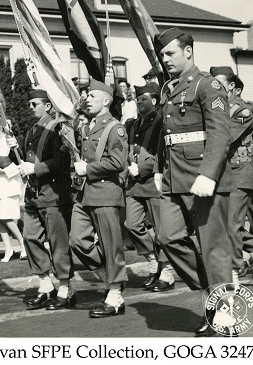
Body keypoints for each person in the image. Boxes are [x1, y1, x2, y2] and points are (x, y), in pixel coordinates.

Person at [154, 28, 234, 336]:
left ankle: (224, 313)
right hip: (175, 179)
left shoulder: (207, 85)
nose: (165, 59)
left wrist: (209, 173)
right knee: (168, 237)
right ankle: (209, 292)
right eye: (163, 55)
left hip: (204, 179)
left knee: (214, 248)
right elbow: (169, 136)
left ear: (188, 51)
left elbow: (219, 133)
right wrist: (161, 169)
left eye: (170, 53)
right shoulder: (169, 89)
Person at [69, 79, 129, 318]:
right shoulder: (88, 126)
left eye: (92, 96)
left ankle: (115, 296)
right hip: (85, 194)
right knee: (77, 240)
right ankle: (110, 274)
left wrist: (88, 169)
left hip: (105, 193)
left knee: (111, 245)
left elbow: (118, 162)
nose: (87, 99)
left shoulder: (115, 128)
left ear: (106, 101)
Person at [16, 89, 74, 311]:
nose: (31, 108)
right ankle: (46, 283)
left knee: (59, 244)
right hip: (33, 194)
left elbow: (62, 161)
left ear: (48, 106)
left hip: (53, 193)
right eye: (30, 104)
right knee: (30, 237)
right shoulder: (32, 130)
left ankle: (65, 288)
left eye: (35, 104)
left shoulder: (58, 128)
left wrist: (36, 168)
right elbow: (27, 158)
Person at [210, 66, 253, 285]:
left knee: (231, 225)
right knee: (227, 225)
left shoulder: (243, 111)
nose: (215, 88)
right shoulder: (216, 110)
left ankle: (233, 270)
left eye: (219, 83)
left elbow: (225, 138)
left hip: (240, 174)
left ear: (232, 87)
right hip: (224, 176)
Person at [124, 84, 175, 291]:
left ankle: (167, 272)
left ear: (154, 101)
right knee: (131, 224)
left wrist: (144, 167)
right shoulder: (133, 124)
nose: (138, 102)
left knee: (162, 230)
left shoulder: (161, 122)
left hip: (153, 181)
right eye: (137, 99)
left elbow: (163, 152)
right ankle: (153, 260)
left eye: (143, 98)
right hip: (135, 183)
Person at [0, 121, 27, 262]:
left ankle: (22, 243)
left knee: (6, 217)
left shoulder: (9, 141)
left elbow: (18, 162)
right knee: (0, 219)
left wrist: (4, 169)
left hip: (9, 184)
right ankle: (8, 249)